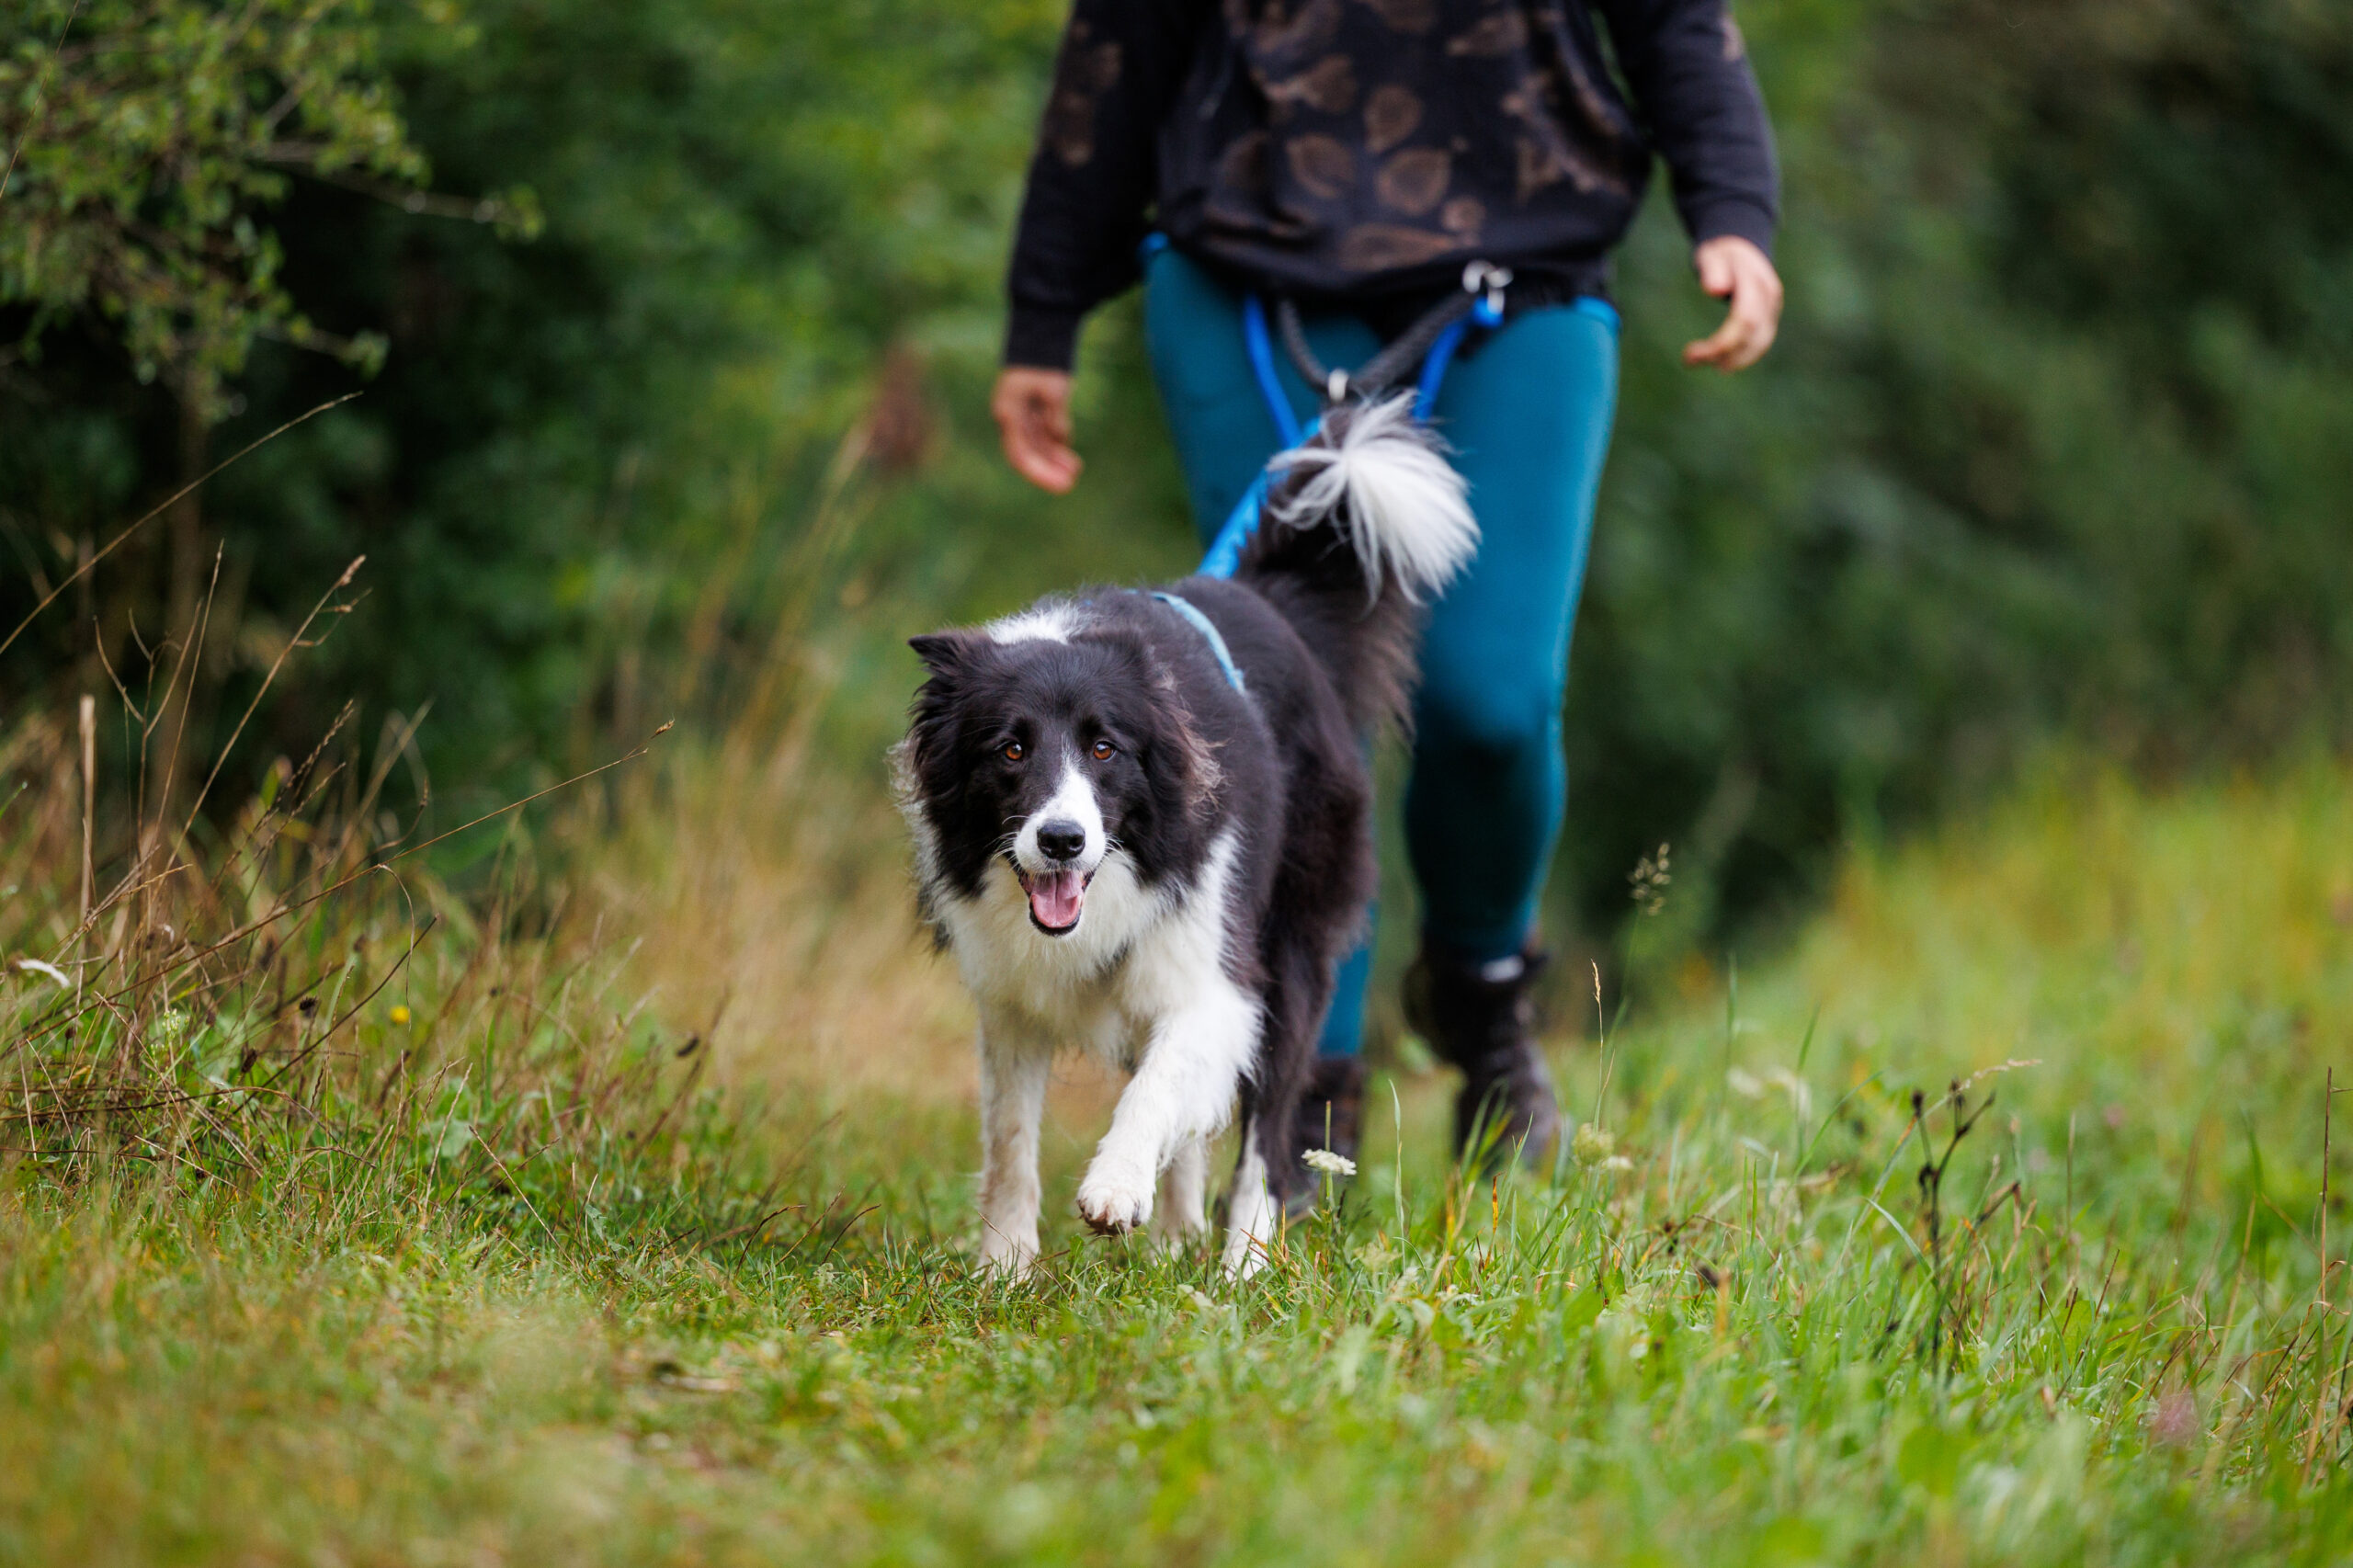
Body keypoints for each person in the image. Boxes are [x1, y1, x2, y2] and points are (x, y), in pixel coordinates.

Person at [991, 0, 1783, 1187]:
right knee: (1290, 702)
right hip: (1244, 265)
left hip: (1522, 277)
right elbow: (1123, 31)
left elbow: (1674, 19)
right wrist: (1044, 307)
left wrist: (1733, 206)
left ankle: (1485, 1003)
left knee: (1491, 705)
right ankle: (1303, 1094)